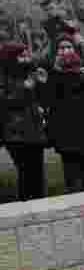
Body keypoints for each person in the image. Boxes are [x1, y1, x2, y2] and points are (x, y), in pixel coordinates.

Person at [42, 48, 84, 193]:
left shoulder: (55, 79)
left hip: (65, 133)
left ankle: (73, 197)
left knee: (70, 169)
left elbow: (47, 99)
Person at [0, 43, 48, 200]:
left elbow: (42, 100)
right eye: (22, 55)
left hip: (35, 131)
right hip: (15, 134)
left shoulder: (30, 73)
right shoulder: (3, 77)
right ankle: (26, 209)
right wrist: (25, 89)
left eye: (27, 54)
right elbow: (5, 103)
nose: (26, 58)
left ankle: (41, 208)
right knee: (26, 172)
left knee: (37, 173)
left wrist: (41, 83)